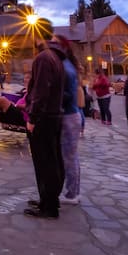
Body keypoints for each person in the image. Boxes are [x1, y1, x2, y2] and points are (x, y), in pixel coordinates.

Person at [24, 29, 66, 220]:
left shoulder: (43, 59)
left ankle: (48, 207)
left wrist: (32, 119)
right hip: (55, 116)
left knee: (44, 163)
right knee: (54, 160)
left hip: (44, 118)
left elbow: (41, 93)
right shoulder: (57, 59)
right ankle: (50, 199)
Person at [55, 35, 81, 205]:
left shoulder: (65, 68)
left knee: (69, 158)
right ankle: (72, 191)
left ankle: (72, 194)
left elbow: (67, 94)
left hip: (68, 117)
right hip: (72, 115)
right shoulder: (68, 66)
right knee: (71, 157)